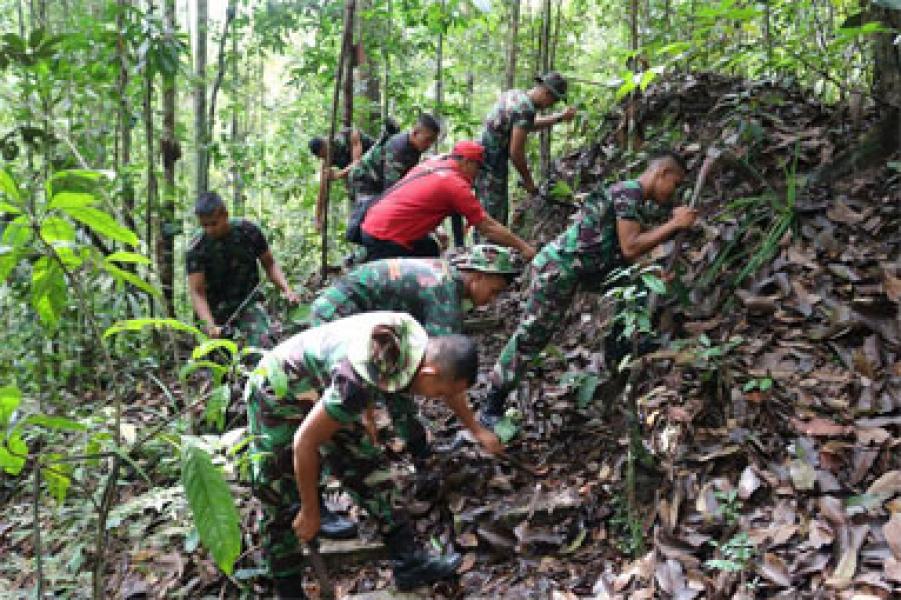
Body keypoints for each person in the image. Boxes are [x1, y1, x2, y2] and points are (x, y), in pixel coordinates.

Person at [246, 312, 501, 598]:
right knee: (279, 495)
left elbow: (374, 375)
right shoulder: (356, 382)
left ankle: (409, 562)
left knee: (367, 467)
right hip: (277, 393)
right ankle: (288, 590)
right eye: (440, 393)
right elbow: (304, 442)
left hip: (326, 385)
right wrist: (310, 511)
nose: (439, 398)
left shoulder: (413, 344)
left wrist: (366, 414)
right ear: (429, 375)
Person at [480, 152, 698, 427]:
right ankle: (492, 402)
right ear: (662, 173)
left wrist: (653, 270)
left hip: (585, 270)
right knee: (532, 336)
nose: (673, 192)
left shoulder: (633, 199)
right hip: (559, 269)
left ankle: (620, 350)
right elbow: (631, 247)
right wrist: (674, 224)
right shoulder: (629, 192)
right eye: (675, 184)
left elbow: (621, 250)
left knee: (638, 281)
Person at [308, 245, 519, 464]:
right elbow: (448, 374)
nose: (492, 300)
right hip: (337, 315)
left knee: (395, 375)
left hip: (340, 310)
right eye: (493, 291)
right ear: (478, 277)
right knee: (365, 394)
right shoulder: (444, 296)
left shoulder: (445, 277)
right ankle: (348, 461)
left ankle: (415, 447)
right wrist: (478, 431)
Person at [360, 140, 537, 261]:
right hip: (387, 238)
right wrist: (523, 247)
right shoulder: (455, 184)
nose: (477, 174)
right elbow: (486, 226)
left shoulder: (432, 164)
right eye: (477, 167)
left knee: (430, 249)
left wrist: (437, 231)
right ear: (466, 162)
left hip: (373, 225)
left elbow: (419, 201)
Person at [186, 192, 298, 348]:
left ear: (225, 215)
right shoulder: (197, 247)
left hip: (248, 303)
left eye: (214, 223)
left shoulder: (248, 231)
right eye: (204, 225)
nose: (210, 230)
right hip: (213, 310)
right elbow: (197, 291)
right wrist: (209, 325)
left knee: (263, 347)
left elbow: (270, 264)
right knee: (217, 357)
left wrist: (287, 289)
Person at [475, 71, 577, 227]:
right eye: (554, 100)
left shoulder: (515, 95)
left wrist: (559, 118)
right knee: (492, 220)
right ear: (546, 93)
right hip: (491, 166)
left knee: (487, 216)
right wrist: (528, 181)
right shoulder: (525, 109)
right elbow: (516, 152)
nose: (552, 104)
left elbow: (524, 126)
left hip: (482, 161)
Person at [348, 113, 441, 207]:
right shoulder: (398, 149)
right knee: (369, 211)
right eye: (427, 140)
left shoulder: (415, 147)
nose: (429, 145)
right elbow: (391, 190)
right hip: (363, 180)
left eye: (432, 141)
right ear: (415, 133)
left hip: (379, 182)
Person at [308, 127, 376, 182]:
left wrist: (338, 175)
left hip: (377, 158)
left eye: (325, 154)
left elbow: (357, 164)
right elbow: (323, 182)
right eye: (322, 157)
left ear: (326, 143)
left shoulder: (350, 134)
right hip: (368, 173)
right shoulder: (326, 160)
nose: (325, 158)